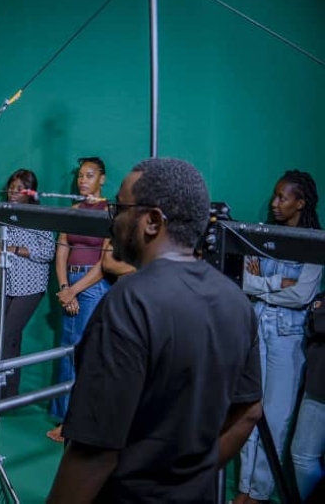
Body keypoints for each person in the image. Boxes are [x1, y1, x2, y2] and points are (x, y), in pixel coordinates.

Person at [47, 158, 263, 503]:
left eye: (120, 208)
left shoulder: (127, 304)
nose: (113, 218)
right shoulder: (236, 301)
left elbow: (94, 453)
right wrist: (189, 481)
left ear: (151, 222)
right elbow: (249, 411)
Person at [234, 170, 323, 504]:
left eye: (282, 197)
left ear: (300, 203)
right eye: (274, 195)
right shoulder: (263, 235)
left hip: (288, 338)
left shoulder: (314, 241)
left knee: (275, 416)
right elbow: (243, 280)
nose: (274, 203)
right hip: (258, 328)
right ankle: (244, 488)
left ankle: (258, 492)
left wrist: (263, 285)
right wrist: (277, 285)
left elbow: (302, 295)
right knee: (248, 408)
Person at [48, 156, 118, 441]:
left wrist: (75, 291)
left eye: (89, 175)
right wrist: (65, 286)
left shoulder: (109, 211)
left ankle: (76, 422)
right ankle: (65, 417)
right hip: (70, 282)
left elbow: (106, 261)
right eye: (80, 175)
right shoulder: (73, 211)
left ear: (102, 179)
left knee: (83, 352)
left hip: (94, 285)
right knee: (67, 351)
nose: (82, 180)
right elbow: (62, 250)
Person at [0, 169, 56, 402]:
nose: (13, 193)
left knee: (6, 335)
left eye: (19, 189)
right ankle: (10, 394)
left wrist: (12, 250)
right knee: (11, 339)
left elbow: (48, 252)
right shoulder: (4, 212)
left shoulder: (40, 215)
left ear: (30, 192)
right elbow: (3, 244)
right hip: (7, 282)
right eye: (11, 188)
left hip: (31, 284)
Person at [292, 288, 325, 500]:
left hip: (319, 389)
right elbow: (315, 322)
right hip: (318, 383)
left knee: (304, 456)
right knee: (303, 456)